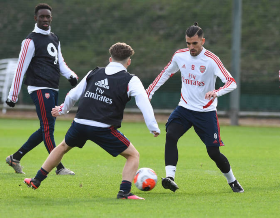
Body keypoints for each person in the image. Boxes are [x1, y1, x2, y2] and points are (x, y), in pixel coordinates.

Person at [23, 42, 161, 200]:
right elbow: (144, 102)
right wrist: (153, 127)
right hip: (103, 128)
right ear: (128, 62)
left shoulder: (94, 72)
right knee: (133, 155)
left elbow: (73, 94)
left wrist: (62, 109)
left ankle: (36, 180)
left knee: (62, 147)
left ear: (110, 59)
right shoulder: (131, 80)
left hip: (80, 123)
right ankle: (124, 193)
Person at [146, 22, 244, 193]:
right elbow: (165, 73)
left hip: (205, 113)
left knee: (213, 152)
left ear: (203, 41)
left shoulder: (212, 60)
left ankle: (232, 181)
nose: (191, 47)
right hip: (184, 109)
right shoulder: (180, 56)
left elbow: (231, 82)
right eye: (188, 43)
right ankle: (170, 177)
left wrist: (217, 92)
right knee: (171, 136)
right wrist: (149, 92)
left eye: (194, 43)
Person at [5, 3, 78, 175]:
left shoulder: (54, 38)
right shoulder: (30, 40)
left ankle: (15, 158)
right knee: (48, 128)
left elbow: (60, 62)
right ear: (35, 18)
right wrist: (13, 95)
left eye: (47, 16)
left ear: (51, 18)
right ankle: (59, 168)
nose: (45, 19)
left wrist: (71, 76)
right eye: (41, 16)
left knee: (46, 128)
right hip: (39, 87)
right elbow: (20, 68)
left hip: (53, 87)